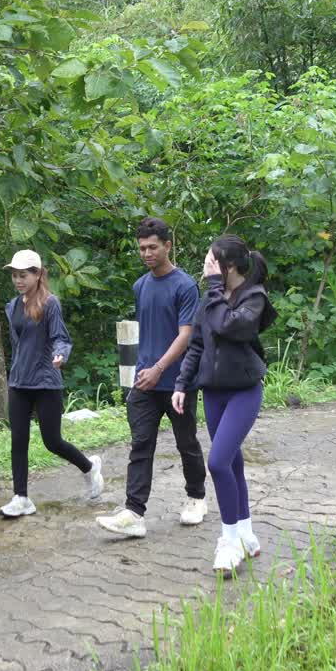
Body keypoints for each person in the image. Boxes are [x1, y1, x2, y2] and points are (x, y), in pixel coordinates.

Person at [172, 234, 277, 573]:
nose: (205, 265)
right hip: (213, 393)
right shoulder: (212, 298)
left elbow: (231, 326)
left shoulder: (254, 297)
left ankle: (229, 542)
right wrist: (181, 385)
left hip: (244, 391)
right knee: (232, 464)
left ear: (228, 267)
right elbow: (198, 345)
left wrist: (215, 289)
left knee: (217, 463)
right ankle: (246, 535)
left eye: (211, 259)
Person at [96, 217, 206, 538]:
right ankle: (134, 513)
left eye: (152, 247)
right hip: (145, 382)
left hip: (178, 382)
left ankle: (197, 498)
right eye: (142, 248)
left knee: (186, 442)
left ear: (168, 246)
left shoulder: (185, 286)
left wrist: (159, 368)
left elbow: (185, 334)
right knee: (141, 445)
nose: (146, 253)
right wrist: (146, 371)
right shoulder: (140, 286)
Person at [0, 249, 104, 518]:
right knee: (18, 441)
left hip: (46, 381)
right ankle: (21, 498)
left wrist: (60, 354)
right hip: (19, 382)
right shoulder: (12, 306)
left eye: (23, 275)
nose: (18, 280)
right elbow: (19, 346)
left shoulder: (50, 303)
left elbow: (61, 337)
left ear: (37, 274)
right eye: (14, 275)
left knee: (52, 441)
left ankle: (90, 468)